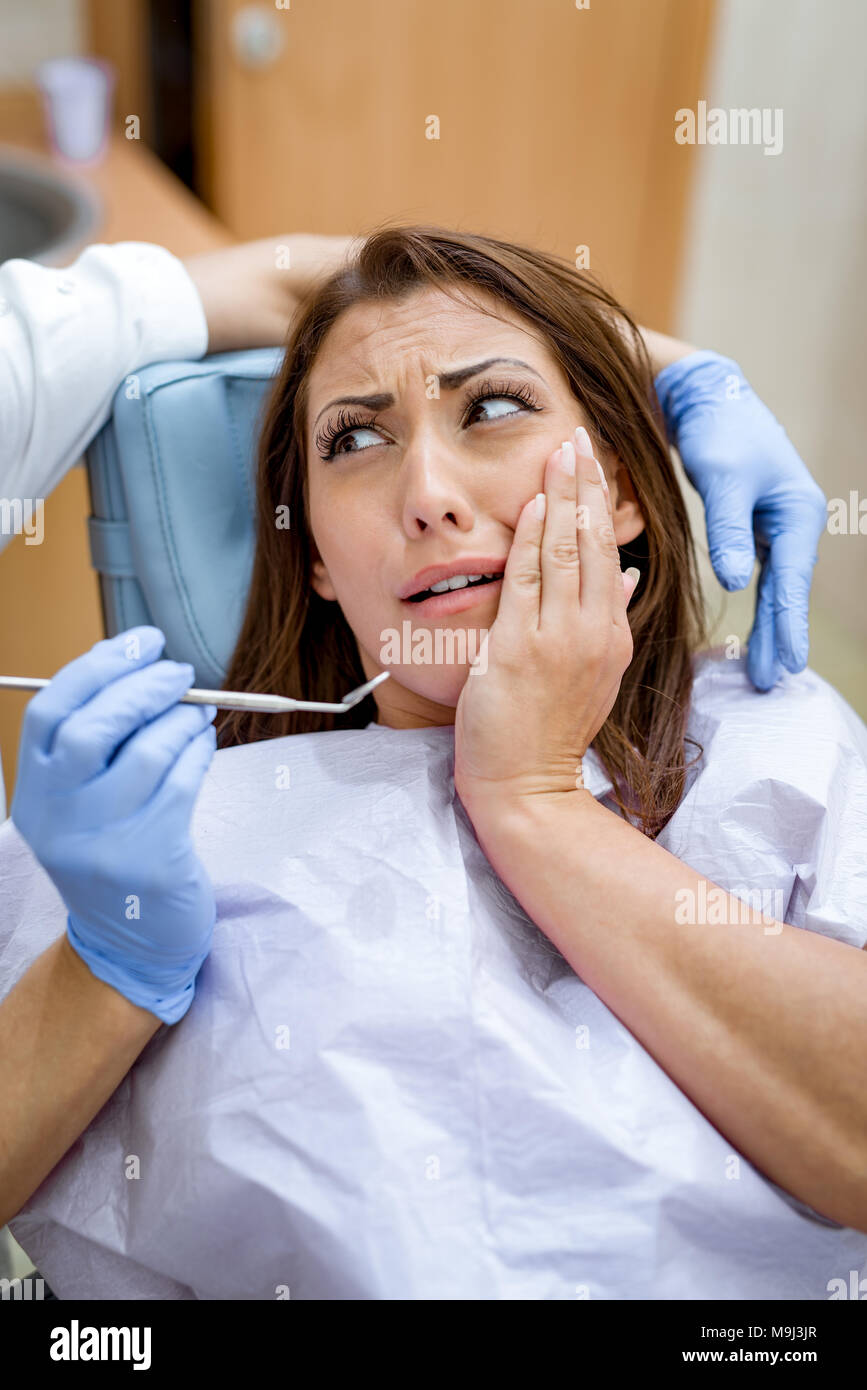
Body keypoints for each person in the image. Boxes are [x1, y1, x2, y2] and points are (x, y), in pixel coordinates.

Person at [0, 226, 863, 1300]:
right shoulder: (152, 832)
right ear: (313, 554)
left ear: (629, 490)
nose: (427, 493)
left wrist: (536, 801)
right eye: (355, 441)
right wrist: (106, 963)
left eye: (493, 410)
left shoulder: (776, 740)